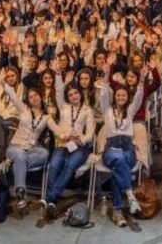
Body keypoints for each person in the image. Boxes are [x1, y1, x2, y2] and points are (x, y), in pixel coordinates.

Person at [41, 62, 96, 219]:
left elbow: (91, 133)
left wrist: (81, 140)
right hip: (64, 143)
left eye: (76, 93)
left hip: (80, 147)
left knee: (70, 165)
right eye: (71, 94)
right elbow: (58, 91)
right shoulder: (63, 107)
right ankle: (52, 201)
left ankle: (50, 198)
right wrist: (58, 75)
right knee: (54, 165)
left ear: (80, 94)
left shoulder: (87, 111)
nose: (74, 96)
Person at [97, 61, 147, 227]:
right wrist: (106, 76)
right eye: (118, 95)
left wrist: (141, 80)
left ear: (127, 98)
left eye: (123, 96)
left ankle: (118, 211)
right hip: (110, 148)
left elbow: (139, 97)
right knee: (118, 160)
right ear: (115, 97)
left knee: (118, 167)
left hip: (127, 148)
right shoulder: (107, 111)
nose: (120, 97)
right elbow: (103, 95)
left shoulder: (130, 112)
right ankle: (130, 196)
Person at [1, 82, 49, 213]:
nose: (33, 98)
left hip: (31, 150)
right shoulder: (24, 109)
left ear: (41, 96)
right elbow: (12, 94)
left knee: (44, 153)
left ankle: (16, 165)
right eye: (30, 97)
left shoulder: (47, 117)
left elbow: (57, 129)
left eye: (36, 95)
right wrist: (0, 79)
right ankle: (21, 191)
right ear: (27, 100)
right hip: (15, 147)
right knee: (20, 155)